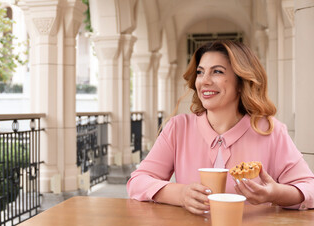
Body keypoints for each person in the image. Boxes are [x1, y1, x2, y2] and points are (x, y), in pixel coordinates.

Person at [126, 40, 314, 215]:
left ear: (241, 82)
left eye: (217, 72)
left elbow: (309, 188)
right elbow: (137, 182)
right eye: (200, 72)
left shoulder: (271, 131)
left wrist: (275, 194)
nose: (204, 81)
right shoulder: (178, 128)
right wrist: (181, 194)